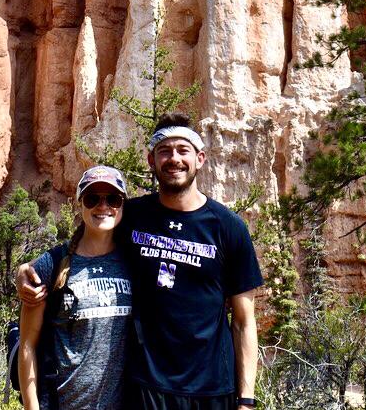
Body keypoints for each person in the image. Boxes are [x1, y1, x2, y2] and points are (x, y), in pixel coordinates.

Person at [19, 113, 263, 410]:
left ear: (200, 158)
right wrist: (26, 271)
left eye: (183, 150)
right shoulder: (131, 215)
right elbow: (87, 237)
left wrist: (246, 400)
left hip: (212, 389)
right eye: (165, 151)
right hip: (147, 388)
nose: (174, 159)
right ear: (151, 160)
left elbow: (244, 321)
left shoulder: (229, 228)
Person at [18, 165, 134, 410]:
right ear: (79, 204)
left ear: (123, 204)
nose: (103, 206)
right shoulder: (52, 265)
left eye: (112, 198)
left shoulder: (134, 260)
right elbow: (28, 344)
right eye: (93, 199)